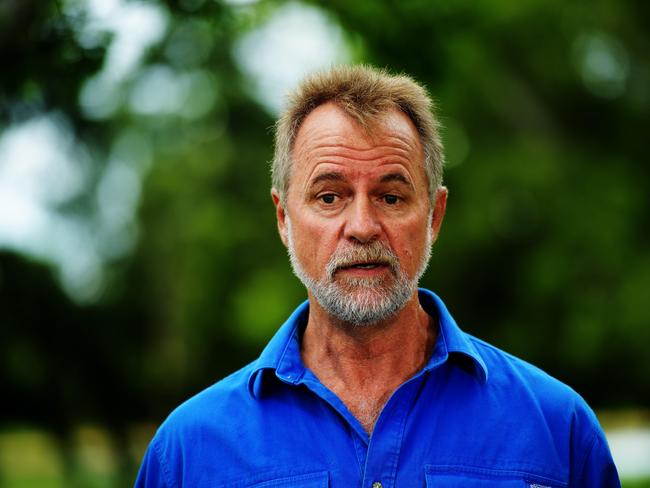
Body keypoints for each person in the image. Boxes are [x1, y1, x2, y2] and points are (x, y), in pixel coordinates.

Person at [135, 65, 620, 487]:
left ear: (434, 215)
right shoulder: (187, 451)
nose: (363, 227)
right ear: (283, 218)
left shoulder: (558, 430)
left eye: (391, 196)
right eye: (329, 197)